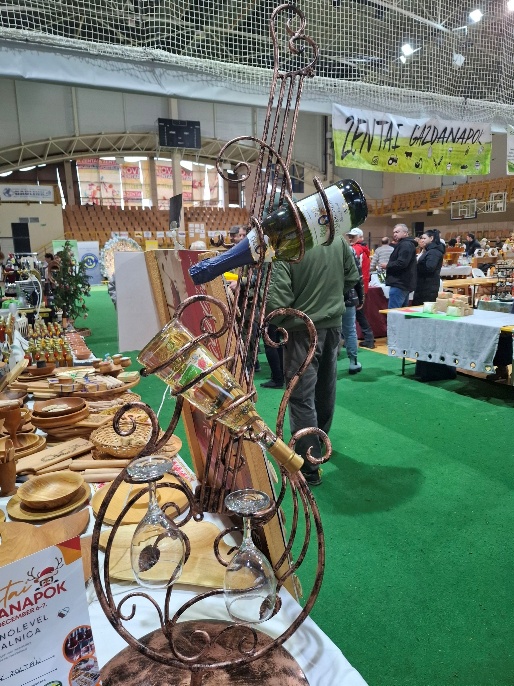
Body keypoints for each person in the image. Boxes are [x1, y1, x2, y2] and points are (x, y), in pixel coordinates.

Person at [266, 237, 359, 486]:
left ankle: (308, 464)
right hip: (332, 325)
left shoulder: (288, 246)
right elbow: (352, 276)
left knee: (300, 396)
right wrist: (329, 299)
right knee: (325, 388)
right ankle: (319, 444)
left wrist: (286, 321)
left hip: (302, 329)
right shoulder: (337, 239)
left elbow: (276, 302)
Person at [346, 228, 375, 349]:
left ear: (360, 237)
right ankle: (369, 338)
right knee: (359, 314)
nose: (350, 238)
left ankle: (369, 338)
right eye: (350, 236)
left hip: (356, 288)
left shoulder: (356, 250)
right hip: (362, 287)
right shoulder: (364, 249)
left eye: (353, 236)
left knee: (358, 315)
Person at [341, 246, 365, 375]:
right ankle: (353, 362)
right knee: (350, 330)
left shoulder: (320, 247)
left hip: (327, 298)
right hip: (348, 297)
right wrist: (361, 298)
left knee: (328, 331)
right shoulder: (349, 250)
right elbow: (357, 276)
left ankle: (327, 364)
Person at [385, 223, 418, 309]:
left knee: (394, 313)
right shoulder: (404, 244)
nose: (395, 234)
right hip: (403, 283)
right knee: (401, 312)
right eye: (394, 232)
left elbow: (402, 263)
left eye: (397, 232)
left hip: (400, 283)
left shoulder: (405, 245)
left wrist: (387, 265)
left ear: (405, 233)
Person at [412, 230, 446, 305]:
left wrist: (415, 266)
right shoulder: (429, 250)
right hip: (424, 284)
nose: (422, 240)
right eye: (421, 238)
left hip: (428, 286)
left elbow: (429, 267)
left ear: (431, 238)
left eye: (424, 238)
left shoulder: (434, 252)